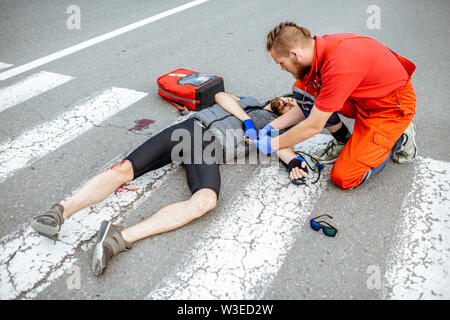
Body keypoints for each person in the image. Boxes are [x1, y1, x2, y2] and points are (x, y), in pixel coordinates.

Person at [30, 92, 307, 276]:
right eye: (288, 99)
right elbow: (221, 96)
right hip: (189, 130)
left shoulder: (276, 127)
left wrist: (293, 162)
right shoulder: (248, 100)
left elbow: (283, 148)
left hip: (209, 151)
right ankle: (59, 212)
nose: (290, 103)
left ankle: (118, 238)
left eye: (295, 106)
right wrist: (246, 119)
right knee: (124, 169)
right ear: (277, 97)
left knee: (206, 201)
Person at [253, 21, 418, 189]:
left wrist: (272, 144)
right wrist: (269, 127)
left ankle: (400, 137)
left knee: (345, 177)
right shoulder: (318, 51)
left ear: (294, 54)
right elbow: (306, 105)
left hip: (389, 108)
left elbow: (313, 125)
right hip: (363, 98)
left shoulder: (339, 64)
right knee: (303, 90)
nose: (282, 68)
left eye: (281, 62)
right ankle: (345, 143)